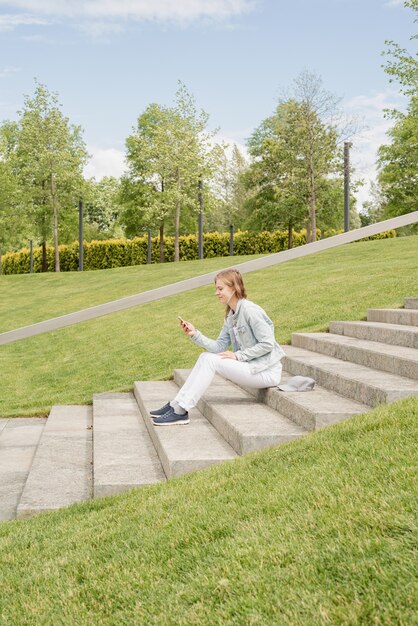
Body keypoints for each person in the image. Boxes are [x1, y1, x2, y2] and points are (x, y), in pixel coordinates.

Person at [150, 268, 285, 426]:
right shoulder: (230, 315)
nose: (216, 292)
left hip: (266, 371)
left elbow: (268, 344)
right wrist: (195, 334)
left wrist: (238, 356)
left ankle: (181, 410)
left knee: (210, 361)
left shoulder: (250, 310)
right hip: (251, 368)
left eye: (220, 288)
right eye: (216, 289)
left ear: (234, 288)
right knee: (205, 357)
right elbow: (218, 346)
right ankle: (176, 405)